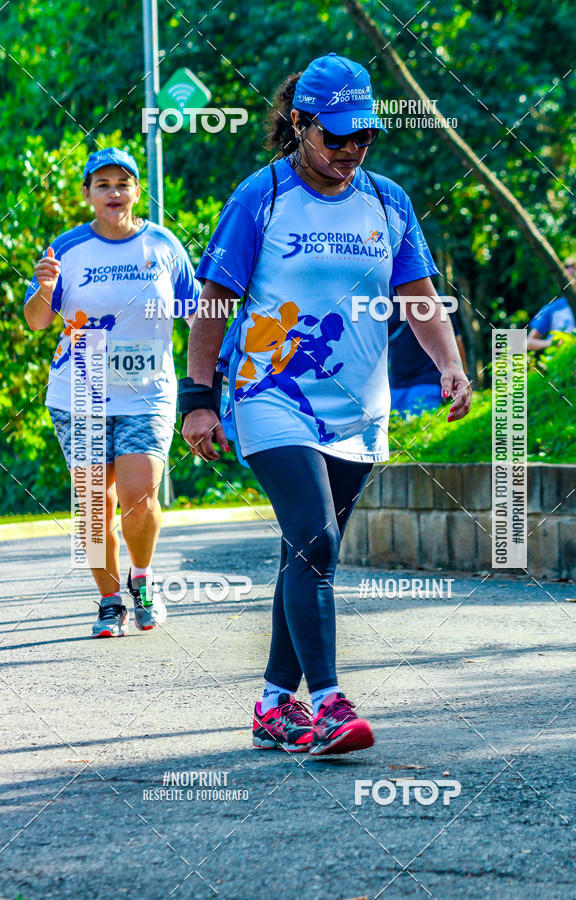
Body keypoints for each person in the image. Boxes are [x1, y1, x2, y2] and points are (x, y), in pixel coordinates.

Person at [181, 53, 471, 755]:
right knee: (316, 538)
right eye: (334, 136)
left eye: (362, 137)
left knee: (307, 552)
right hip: (269, 393)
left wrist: (452, 365)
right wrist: (199, 397)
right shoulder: (264, 195)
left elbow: (420, 297)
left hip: (357, 409)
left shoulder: (387, 200)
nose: (349, 150)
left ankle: (276, 705)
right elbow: (214, 301)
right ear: (299, 125)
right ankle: (332, 704)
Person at [24, 147, 200, 637]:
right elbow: (37, 322)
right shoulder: (67, 248)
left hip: (148, 390)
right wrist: (43, 288)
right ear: (87, 195)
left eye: (122, 184)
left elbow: (196, 315)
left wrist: (218, 373)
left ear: (136, 192)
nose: (113, 193)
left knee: (140, 496)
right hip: (81, 390)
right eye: (102, 185)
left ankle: (141, 579)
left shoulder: (164, 247)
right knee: (93, 503)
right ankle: (108, 601)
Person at [388, 303, 468, 416]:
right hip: (396, 386)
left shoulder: (439, 300)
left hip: (428, 383)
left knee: (420, 430)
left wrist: (462, 378)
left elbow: (455, 341)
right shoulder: (388, 301)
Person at [527, 257, 576, 350]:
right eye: (567, 278)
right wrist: (550, 343)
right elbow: (528, 342)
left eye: (574, 276)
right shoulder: (553, 308)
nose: (571, 282)